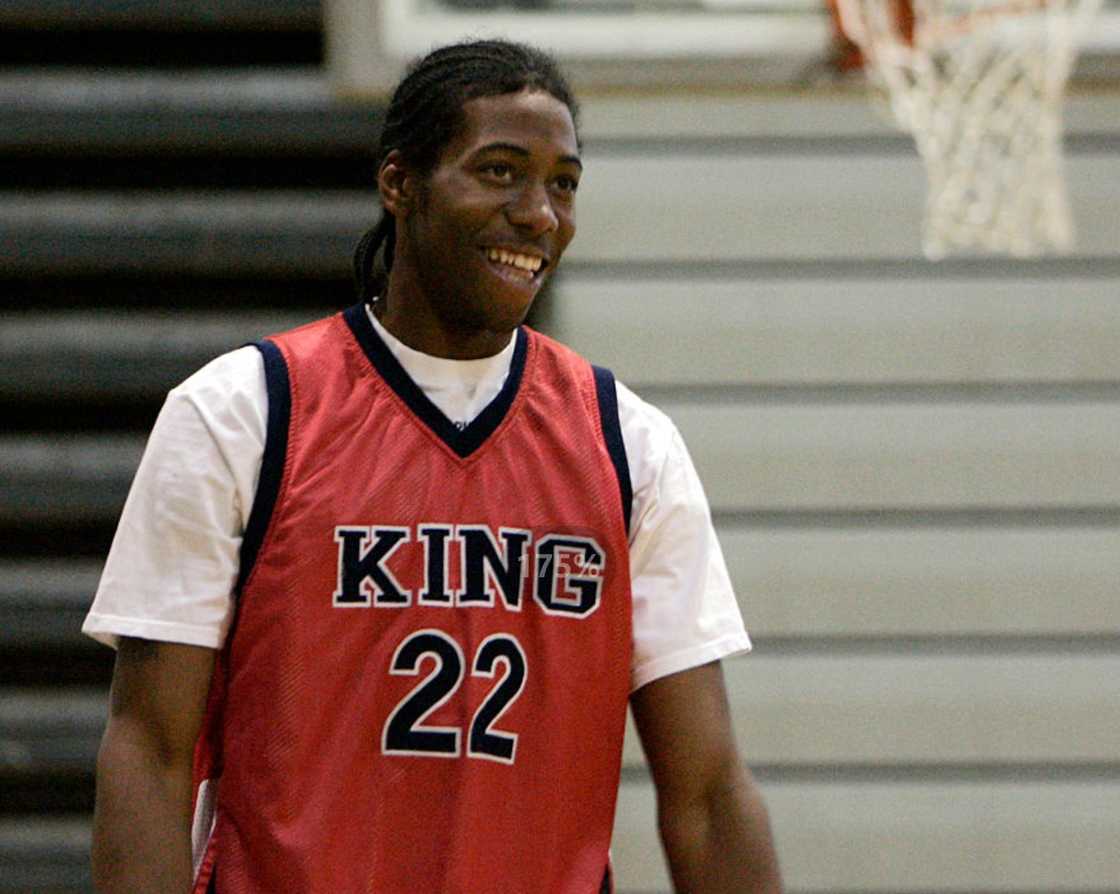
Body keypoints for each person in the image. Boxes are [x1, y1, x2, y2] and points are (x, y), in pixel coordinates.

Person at [85, 39, 782, 894]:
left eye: (563, 183)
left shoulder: (628, 444)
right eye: (499, 171)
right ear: (399, 184)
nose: (539, 213)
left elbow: (709, 794)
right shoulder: (240, 412)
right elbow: (148, 754)